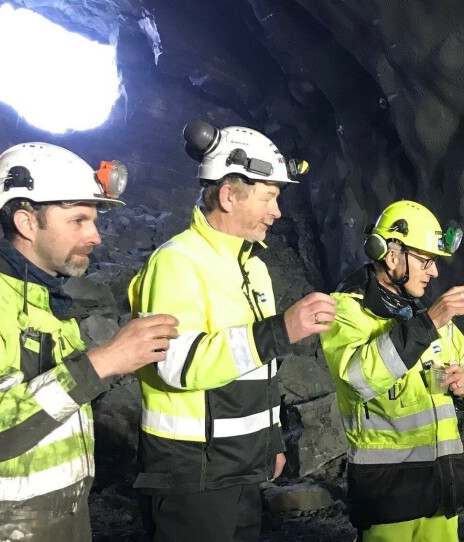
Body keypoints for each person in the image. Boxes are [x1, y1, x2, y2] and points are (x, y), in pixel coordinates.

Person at [128, 121, 336, 542]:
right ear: (228, 195)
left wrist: (271, 440)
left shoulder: (254, 268)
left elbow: (259, 369)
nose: (277, 211)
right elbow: (178, 365)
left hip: (240, 466)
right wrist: (282, 329)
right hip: (192, 471)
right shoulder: (177, 262)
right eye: (268, 197)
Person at [0, 143, 179, 541]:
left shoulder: (48, 298)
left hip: (68, 516)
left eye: (94, 221)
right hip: (0, 526)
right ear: (27, 223)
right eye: (79, 220)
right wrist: (101, 363)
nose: (95, 236)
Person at [320, 200, 464, 541]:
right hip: (388, 497)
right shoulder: (346, 310)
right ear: (391, 255)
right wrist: (428, 324)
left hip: (441, 491)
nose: (434, 272)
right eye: (425, 261)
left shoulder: (424, 314)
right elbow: (359, 378)